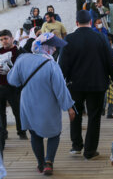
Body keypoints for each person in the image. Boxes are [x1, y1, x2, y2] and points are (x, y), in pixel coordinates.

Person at [7, 33, 75, 176]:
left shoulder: (22, 60)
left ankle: (40, 163)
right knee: (54, 133)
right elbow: (60, 89)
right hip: (48, 106)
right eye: (53, 46)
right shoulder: (52, 65)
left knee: (35, 134)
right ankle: (49, 162)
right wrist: (69, 107)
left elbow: (13, 81)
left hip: (28, 105)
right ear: (46, 47)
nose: (55, 49)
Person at [59, 10, 113, 159]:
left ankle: (76, 145)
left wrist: (61, 84)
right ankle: (90, 150)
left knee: (76, 114)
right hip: (96, 85)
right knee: (94, 116)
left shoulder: (68, 39)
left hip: (75, 85)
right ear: (91, 22)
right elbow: (111, 61)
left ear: (76, 23)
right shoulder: (100, 37)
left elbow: (62, 65)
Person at [0, 30, 27, 141]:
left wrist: (12, 70)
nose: (3, 41)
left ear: (11, 38)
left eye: (5, 38)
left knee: (18, 111)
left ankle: (21, 132)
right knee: (1, 113)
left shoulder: (19, 51)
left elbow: (25, 68)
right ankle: (3, 134)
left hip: (14, 87)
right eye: (1, 40)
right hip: (0, 86)